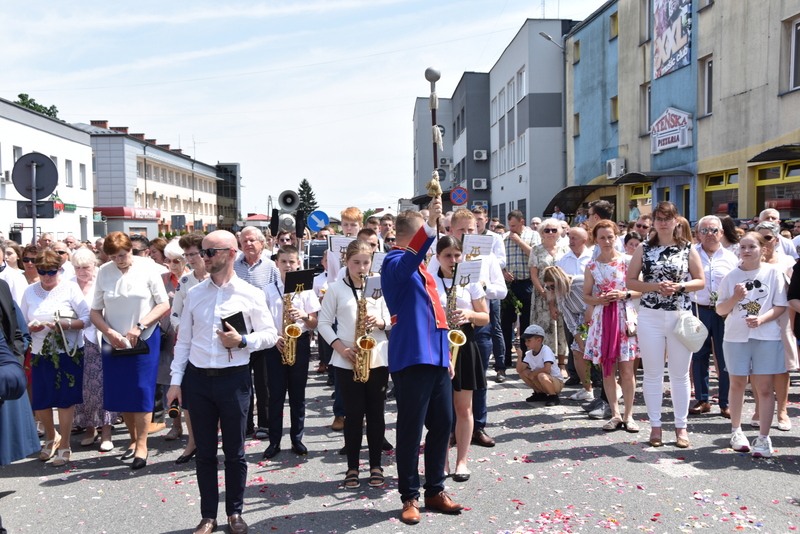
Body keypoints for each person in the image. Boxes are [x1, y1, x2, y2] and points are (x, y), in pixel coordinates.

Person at [168, 230, 277, 534]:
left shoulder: (251, 293)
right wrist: (176, 382)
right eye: (202, 252)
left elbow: (269, 335)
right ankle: (207, 516)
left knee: (235, 452)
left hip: (234, 381)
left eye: (209, 252)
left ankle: (235, 512)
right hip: (198, 381)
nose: (203, 258)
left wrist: (242, 340)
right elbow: (184, 342)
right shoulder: (194, 293)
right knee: (204, 452)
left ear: (230, 253)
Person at [382, 198, 464, 525]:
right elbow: (410, 259)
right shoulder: (394, 261)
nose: (429, 243)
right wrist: (431, 225)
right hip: (412, 356)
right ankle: (409, 495)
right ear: (411, 236)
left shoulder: (421, 270)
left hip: (436, 356)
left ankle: (434, 489)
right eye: (424, 235)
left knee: (443, 423)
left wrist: (446, 356)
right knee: (410, 429)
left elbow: (436, 315)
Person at [626, 202, 705, 449]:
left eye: (667, 218)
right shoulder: (643, 248)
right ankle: (656, 426)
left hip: (679, 316)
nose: (662, 222)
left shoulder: (688, 248)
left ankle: (681, 427)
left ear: (676, 221)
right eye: (658, 218)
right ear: (653, 222)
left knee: (680, 374)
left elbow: (700, 281)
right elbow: (630, 281)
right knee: (652, 374)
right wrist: (654, 286)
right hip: (650, 315)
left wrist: (679, 286)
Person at [90, 232, 170, 470]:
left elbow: (163, 304)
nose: (119, 260)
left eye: (123, 255)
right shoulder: (104, 271)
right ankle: (133, 440)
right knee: (122, 390)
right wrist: (109, 332)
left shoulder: (148, 268)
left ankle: (143, 445)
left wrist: (140, 326)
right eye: (113, 256)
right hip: (114, 341)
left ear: (131, 250)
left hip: (143, 338)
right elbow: (95, 311)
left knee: (142, 390)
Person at [318, 240, 391, 489]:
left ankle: (375, 465)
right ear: (346, 263)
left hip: (377, 356)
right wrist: (341, 348)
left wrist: (380, 321)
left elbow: (393, 319)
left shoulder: (379, 284)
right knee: (353, 415)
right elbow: (324, 323)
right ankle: (352, 467)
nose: (361, 267)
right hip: (347, 356)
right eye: (355, 263)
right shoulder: (336, 288)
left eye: (366, 262)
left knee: (375, 414)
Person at [716, 232, 787, 458]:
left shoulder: (774, 273)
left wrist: (762, 319)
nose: (746, 251)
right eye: (743, 247)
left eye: (752, 247)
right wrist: (735, 297)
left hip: (767, 337)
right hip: (736, 337)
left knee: (765, 388)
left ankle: (764, 438)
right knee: (737, 384)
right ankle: (736, 431)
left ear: (762, 249)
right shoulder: (731, 276)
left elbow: (780, 305)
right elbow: (721, 310)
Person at [21, 249, 90, 467]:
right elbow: (22, 324)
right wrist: (33, 328)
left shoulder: (70, 287)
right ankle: (51, 437)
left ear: (60, 269)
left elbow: (87, 318)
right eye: (42, 272)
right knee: (42, 398)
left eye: (51, 272)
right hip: (41, 352)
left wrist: (65, 325)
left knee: (64, 400)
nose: (47, 277)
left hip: (68, 352)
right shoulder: (30, 291)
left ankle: (65, 444)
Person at [433, 235, 489, 480]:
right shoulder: (430, 281)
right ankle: (442, 460)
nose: (453, 260)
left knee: (463, 408)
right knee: (440, 410)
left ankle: (462, 461)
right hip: (437, 343)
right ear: (438, 257)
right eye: (448, 255)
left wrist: (469, 313)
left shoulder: (471, 280)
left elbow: (485, 317)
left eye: (457, 255)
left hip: (464, 344)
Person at [261, 245, 320, 459]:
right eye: (283, 261)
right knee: (275, 396)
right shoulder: (268, 290)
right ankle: (274, 441)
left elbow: (314, 323)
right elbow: (261, 323)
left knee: (297, 396)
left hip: (300, 343)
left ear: (298, 264)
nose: (288, 265)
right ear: (277, 263)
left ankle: (297, 439)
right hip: (275, 345)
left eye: (292, 261)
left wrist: (304, 316)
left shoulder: (305, 289)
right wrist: (274, 337)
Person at [583, 221, 641, 431]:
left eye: (610, 237)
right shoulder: (591, 265)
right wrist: (599, 300)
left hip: (624, 316)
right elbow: (586, 296)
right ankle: (615, 414)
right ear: (595, 240)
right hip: (602, 319)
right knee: (608, 371)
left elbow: (641, 289)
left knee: (627, 370)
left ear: (616, 237)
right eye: (602, 238)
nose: (607, 241)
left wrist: (623, 294)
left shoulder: (628, 260)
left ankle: (629, 415)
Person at [689, 216, 738, 418]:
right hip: (698, 309)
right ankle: (702, 399)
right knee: (699, 355)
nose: (710, 234)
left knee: (725, 356)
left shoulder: (732, 258)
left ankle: (726, 402)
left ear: (721, 233)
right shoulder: (691, 255)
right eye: (705, 231)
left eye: (714, 230)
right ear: (698, 234)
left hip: (724, 312)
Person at [234, 226, 280, 439]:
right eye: (244, 240)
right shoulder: (233, 266)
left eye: (252, 240)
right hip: (239, 330)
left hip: (262, 329)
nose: (248, 244)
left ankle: (265, 423)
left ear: (262, 243)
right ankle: (245, 424)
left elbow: (278, 296)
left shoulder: (271, 267)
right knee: (242, 381)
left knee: (264, 381)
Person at [752, 221, 797, 431]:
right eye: (759, 237)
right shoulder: (749, 259)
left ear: (777, 240)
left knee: (781, 367)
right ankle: (759, 408)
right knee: (757, 365)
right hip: (756, 319)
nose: (763, 242)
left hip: (782, 320)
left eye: (768, 237)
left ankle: (782, 411)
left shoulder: (788, 261)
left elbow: (795, 292)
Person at [71, 248, 116, 452]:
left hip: (98, 340)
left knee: (101, 387)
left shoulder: (102, 282)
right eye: (77, 267)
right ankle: (90, 429)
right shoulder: (68, 284)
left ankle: (106, 432)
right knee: (82, 388)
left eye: (85, 267)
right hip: (74, 342)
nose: (81, 271)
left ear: (94, 265)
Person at [169, 233, 207, 463]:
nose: (190, 259)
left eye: (193, 254)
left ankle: (212, 442)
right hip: (190, 346)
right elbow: (175, 313)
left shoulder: (218, 278)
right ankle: (192, 442)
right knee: (190, 400)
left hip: (216, 348)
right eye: (187, 255)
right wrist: (185, 331)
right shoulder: (185, 281)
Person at [543, 266, 591, 401]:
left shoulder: (580, 282)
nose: (551, 290)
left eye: (552, 286)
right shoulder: (560, 297)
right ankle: (588, 389)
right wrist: (580, 342)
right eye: (548, 288)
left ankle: (614, 386)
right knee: (576, 351)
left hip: (598, 316)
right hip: (582, 322)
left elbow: (596, 296)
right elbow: (570, 321)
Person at [158, 240, 190, 442]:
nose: (173, 265)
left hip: (188, 337)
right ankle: (175, 425)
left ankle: (194, 426)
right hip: (168, 338)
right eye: (169, 261)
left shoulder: (192, 279)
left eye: (177, 260)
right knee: (169, 383)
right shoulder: (162, 279)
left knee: (189, 383)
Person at [529, 218, 569, 376]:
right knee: (545, 329)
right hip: (542, 296)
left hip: (561, 294)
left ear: (559, 232)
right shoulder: (536, 250)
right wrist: (544, 293)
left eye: (554, 230)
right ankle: (545, 363)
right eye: (547, 230)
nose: (551, 233)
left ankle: (562, 365)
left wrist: (558, 292)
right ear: (541, 233)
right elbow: (534, 275)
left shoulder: (565, 249)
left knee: (561, 329)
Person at [555, 226, 593, 389]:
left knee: (592, 341)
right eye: (570, 238)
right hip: (570, 308)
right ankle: (574, 374)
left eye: (574, 238)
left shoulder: (592, 258)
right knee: (573, 340)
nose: (571, 241)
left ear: (584, 240)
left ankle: (595, 376)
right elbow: (556, 286)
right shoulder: (563, 260)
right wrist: (553, 305)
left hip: (591, 308)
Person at [501, 211, 540, 368]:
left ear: (522, 222)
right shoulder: (504, 238)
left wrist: (519, 241)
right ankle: (505, 358)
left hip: (526, 282)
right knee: (505, 322)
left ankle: (525, 357)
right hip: (510, 285)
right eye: (510, 226)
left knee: (526, 322)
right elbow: (499, 261)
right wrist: (503, 272)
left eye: (515, 226)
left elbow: (535, 255)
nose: (512, 229)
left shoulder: (532, 236)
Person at [516, 324, 563, 405]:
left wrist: (533, 374)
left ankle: (553, 396)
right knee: (523, 373)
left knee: (542, 375)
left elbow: (547, 369)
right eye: (525, 341)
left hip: (556, 382)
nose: (526, 343)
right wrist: (519, 357)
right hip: (541, 379)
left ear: (539, 340)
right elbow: (519, 370)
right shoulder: (529, 353)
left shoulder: (546, 350)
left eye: (529, 340)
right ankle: (539, 393)